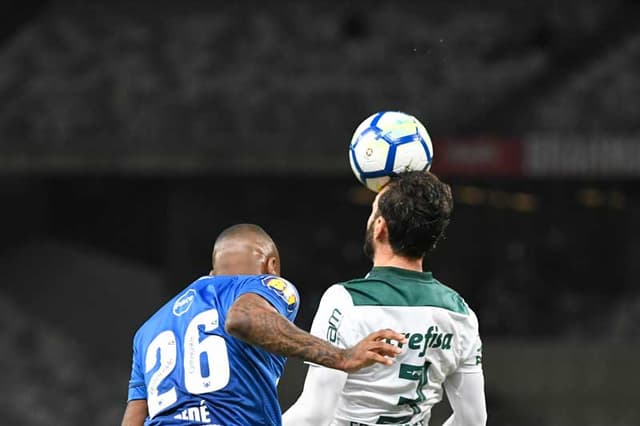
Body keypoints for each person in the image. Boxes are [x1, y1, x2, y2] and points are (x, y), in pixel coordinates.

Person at [121, 223, 406, 426]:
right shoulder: (267, 284)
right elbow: (243, 318)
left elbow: (134, 418)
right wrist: (342, 356)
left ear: (213, 273)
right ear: (272, 266)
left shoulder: (148, 329)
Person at [283, 171, 487, 426]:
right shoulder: (461, 313)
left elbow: (314, 415)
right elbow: (474, 420)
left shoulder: (346, 301)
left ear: (380, 227)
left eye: (373, 211)